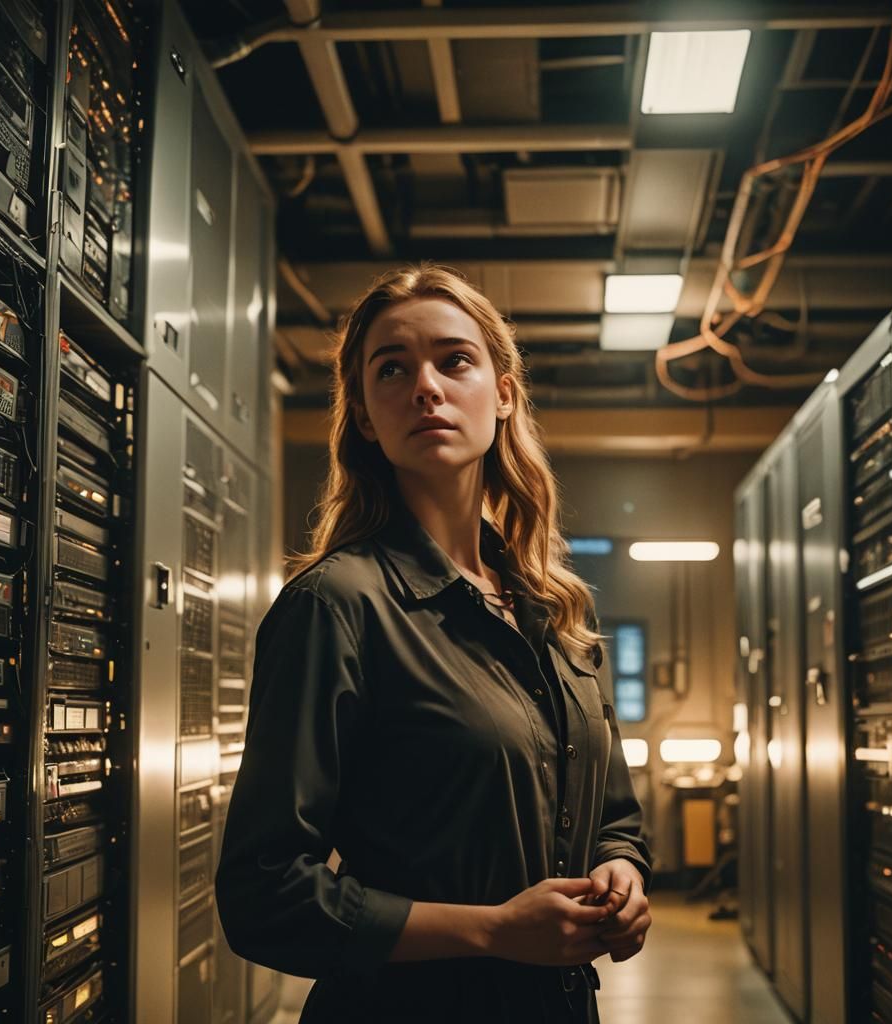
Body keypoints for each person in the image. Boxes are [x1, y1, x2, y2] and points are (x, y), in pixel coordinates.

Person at [216, 264, 652, 1023]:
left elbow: (612, 813)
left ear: (504, 391)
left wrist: (620, 872)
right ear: (363, 417)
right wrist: (493, 932)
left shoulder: (552, 609)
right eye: (393, 369)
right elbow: (264, 892)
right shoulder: (336, 606)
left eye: (454, 360)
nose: (426, 386)